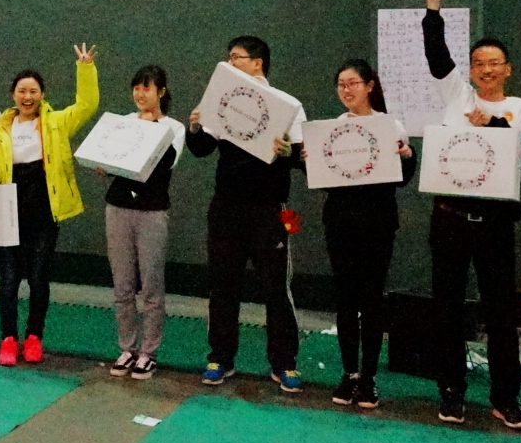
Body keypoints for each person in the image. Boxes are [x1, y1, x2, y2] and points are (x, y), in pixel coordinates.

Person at [417, 0, 521, 428]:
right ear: (470, 70)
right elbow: (436, 52)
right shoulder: (457, 95)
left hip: (495, 223)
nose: (486, 70)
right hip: (449, 217)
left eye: (495, 63)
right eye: (478, 63)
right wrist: (434, 4)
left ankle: (505, 397)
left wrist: (494, 125)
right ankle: (451, 391)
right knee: (447, 308)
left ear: (508, 69)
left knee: (500, 312)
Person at [188, 36, 308, 393]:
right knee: (223, 285)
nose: (230, 62)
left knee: (276, 289)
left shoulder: (288, 105)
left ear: (258, 62)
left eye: (236, 57)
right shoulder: (223, 99)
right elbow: (201, 148)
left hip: (270, 210)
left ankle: (284, 362)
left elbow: (304, 158)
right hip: (226, 207)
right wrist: (194, 126)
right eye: (228, 57)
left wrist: (287, 153)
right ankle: (220, 358)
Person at [0, 46, 99, 366]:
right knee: (8, 279)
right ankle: (8, 339)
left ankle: (34, 337)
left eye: (33, 91)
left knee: (38, 278)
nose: (27, 96)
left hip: (44, 210)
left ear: (42, 95)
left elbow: (87, 104)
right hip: (9, 209)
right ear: (13, 95)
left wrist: (85, 68)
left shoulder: (58, 123)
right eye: (22, 91)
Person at [322, 59, 415, 410]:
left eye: (353, 83)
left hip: (377, 222)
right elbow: (326, 179)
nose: (346, 90)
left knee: (371, 299)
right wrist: (309, 159)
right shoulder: (333, 129)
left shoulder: (391, 126)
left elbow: (402, 178)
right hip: (340, 222)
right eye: (341, 84)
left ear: (370, 86)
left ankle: (369, 377)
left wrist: (407, 156)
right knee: (345, 299)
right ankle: (349, 373)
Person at [102, 65, 185, 381]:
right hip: (118, 208)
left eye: (147, 88)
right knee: (122, 284)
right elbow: (109, 158)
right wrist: (105, 162)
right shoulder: (122, 123)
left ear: (161, 92)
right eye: (136, 87)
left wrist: (147, 131)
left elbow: (163, 165)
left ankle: (148, 353)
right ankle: (127, 348)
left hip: (152, 211)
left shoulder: (173, 128)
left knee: (151, 284)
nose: (140, 94)